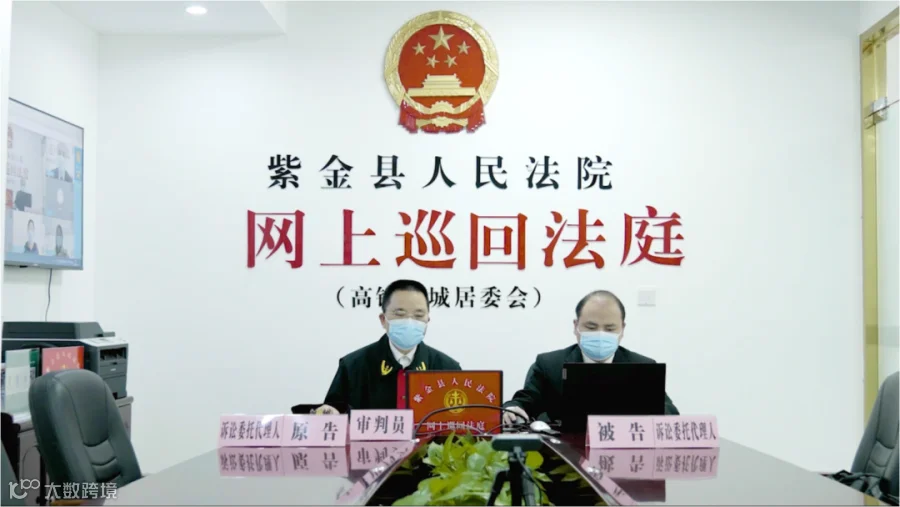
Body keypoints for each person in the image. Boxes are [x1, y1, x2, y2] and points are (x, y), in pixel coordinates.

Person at [502, 290, 679, 425]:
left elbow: (669, 413)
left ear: (622, 329)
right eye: (591, 327)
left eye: (610, 329)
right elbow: (525, 401)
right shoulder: (549, 364)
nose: (600, 334)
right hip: (562, 455)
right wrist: (511, 409)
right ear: (576, 326)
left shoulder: (643, 366)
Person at [318, 279, 462, 414]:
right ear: (383, 319)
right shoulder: (352, 367)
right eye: (400, 314)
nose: (409, 321)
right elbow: (331, 420)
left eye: (418, 315)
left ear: (427, 320)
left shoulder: (448, 369)